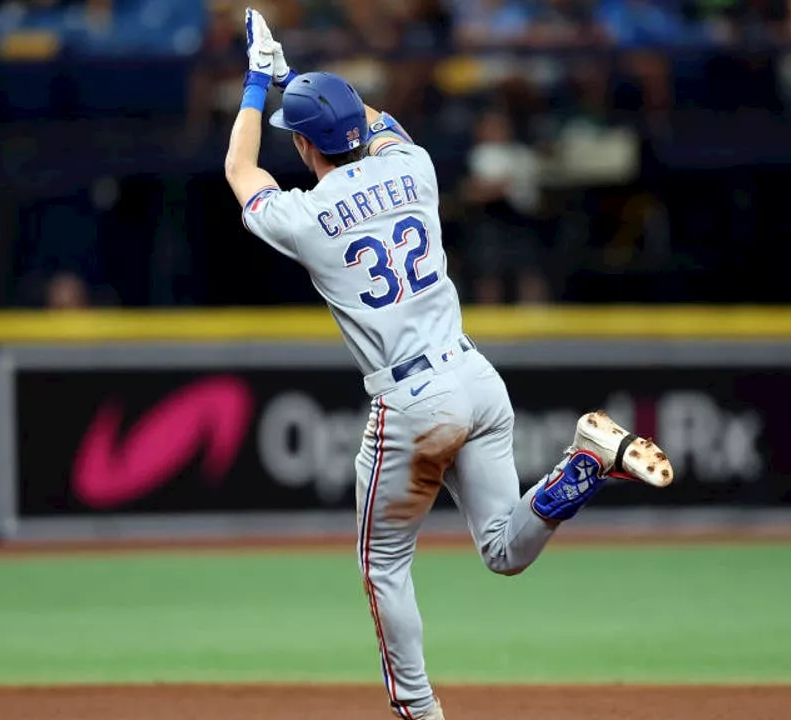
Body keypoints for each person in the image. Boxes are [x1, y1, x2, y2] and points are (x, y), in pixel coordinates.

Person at [224, 9, 675, 719]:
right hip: (474, 379)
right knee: (504, 552)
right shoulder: (416, 165)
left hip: (411, 404)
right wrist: (307, 84)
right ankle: (582, 465)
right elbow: (378, 122)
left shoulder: (305, 219)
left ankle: (416, 710)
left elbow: (239, 168)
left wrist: (259, 84)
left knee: (383, 567)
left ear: (306, 145)